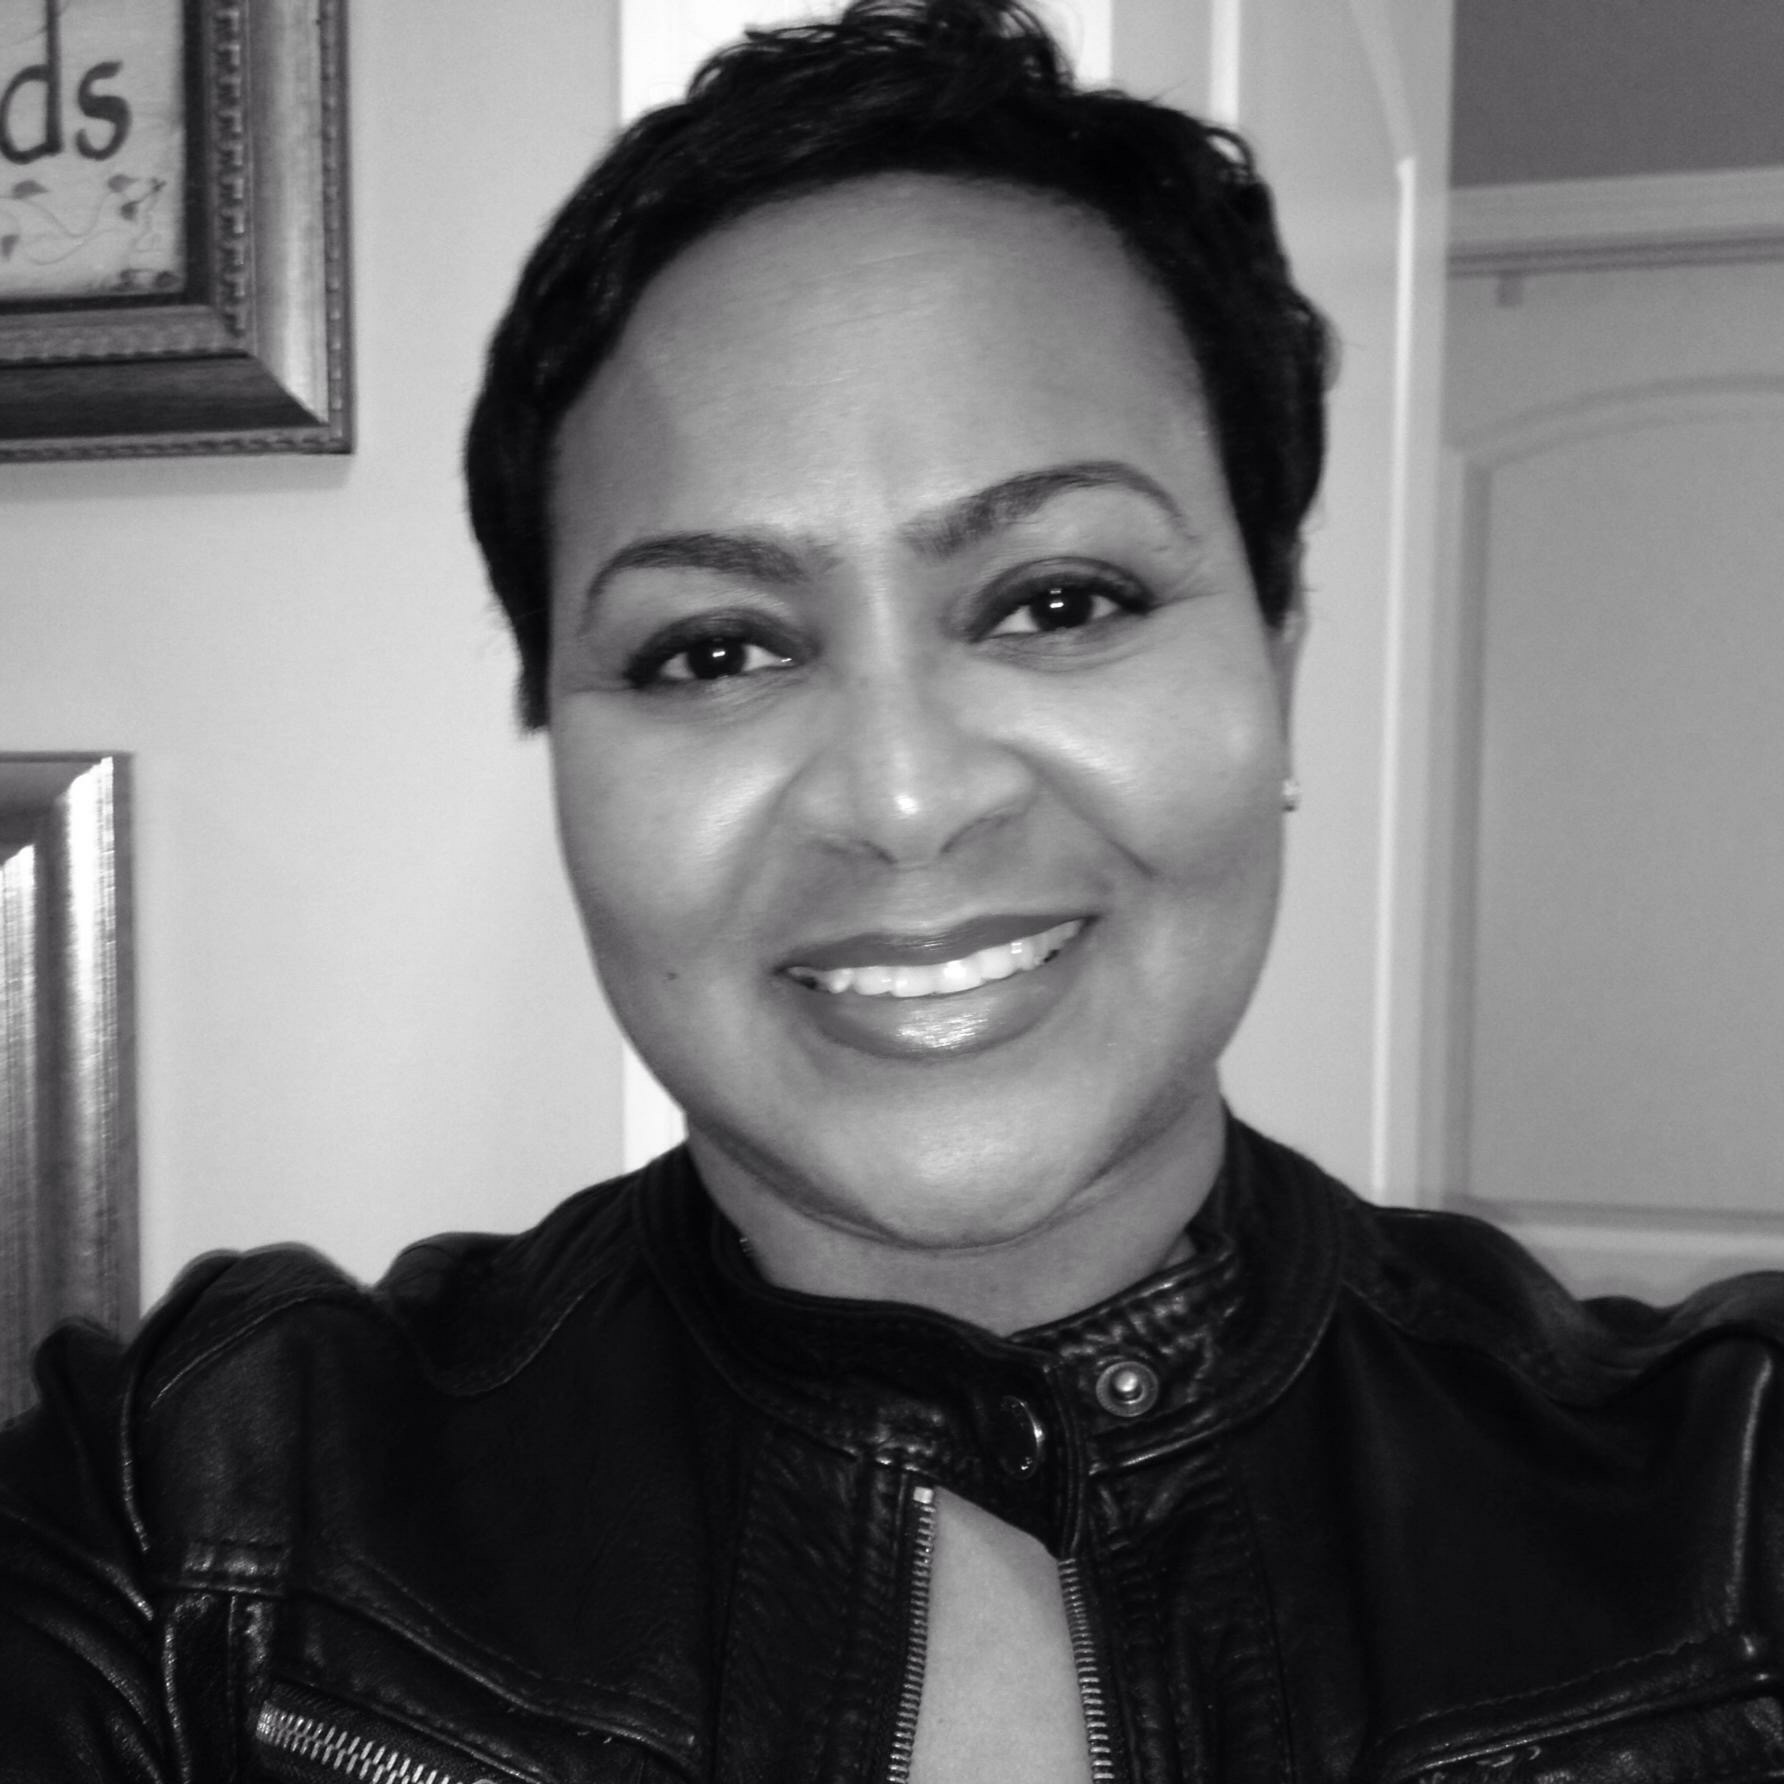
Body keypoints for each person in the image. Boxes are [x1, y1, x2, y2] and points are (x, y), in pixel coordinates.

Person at [6, 3, 1784, 1779]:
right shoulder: (198, 1517)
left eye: (1060, 601)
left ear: (1280, 666)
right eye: (716, 648)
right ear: (559, 741)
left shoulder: (1731, 1513)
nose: (907, 799)